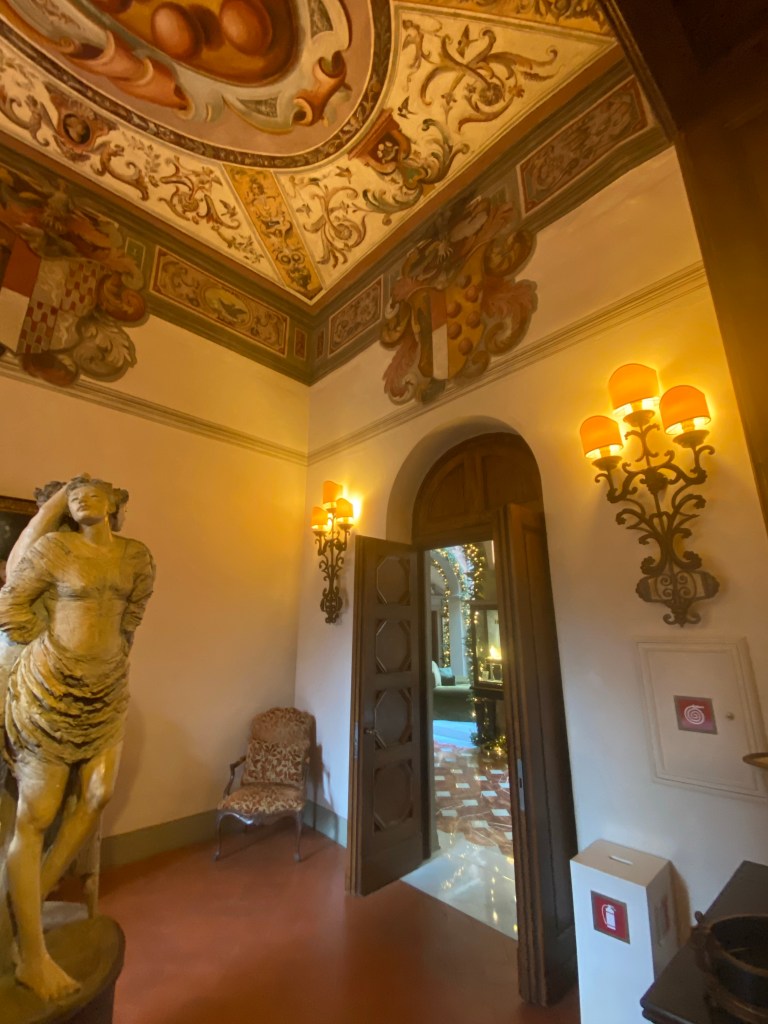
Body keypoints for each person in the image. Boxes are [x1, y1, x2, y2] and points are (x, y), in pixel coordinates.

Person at [0, 475, 155, 1001]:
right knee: (36, 815)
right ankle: (32, 957)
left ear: (115, 501)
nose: (83, 497)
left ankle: (25, 904)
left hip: (106, 691)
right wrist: (49, 655)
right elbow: (12, 602)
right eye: (74, 494)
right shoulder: (53, 550)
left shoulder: (136, 556)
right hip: (51, 692)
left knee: (98, 793)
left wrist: (107, 658)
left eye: (93, 490)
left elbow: (133, 615)